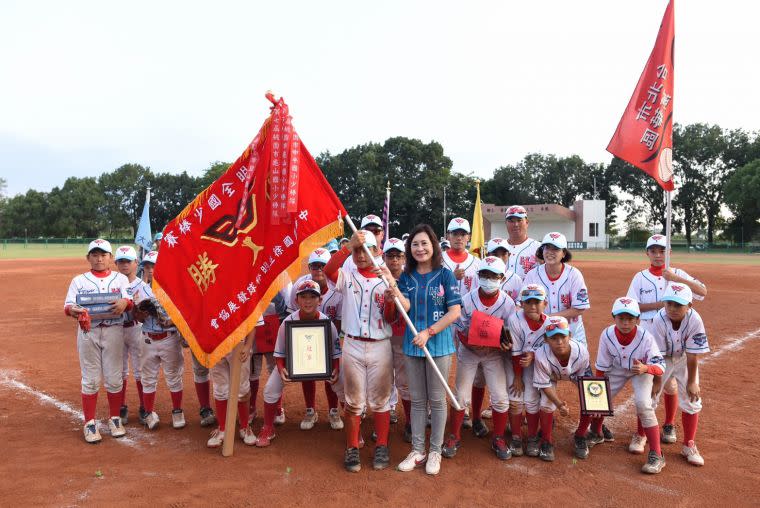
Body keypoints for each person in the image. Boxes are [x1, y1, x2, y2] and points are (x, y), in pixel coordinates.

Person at [388, 224, 462, 476]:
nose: (420, 248)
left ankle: (435, 451)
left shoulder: (445, 275)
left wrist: (429, 332)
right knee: (418, 401)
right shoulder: (407, 276)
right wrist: (394, 288)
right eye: (415, 244)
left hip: (438, 346)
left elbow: (454, 312)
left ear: (433, 246)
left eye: (424, 243)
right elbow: (406, 306)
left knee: (437, 401)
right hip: (412, 346)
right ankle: (417, 450)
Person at [324, 232, 395, 472]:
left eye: (367, 250)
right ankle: (352, 446)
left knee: (381, 401)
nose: (361, 255)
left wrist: (390, 300)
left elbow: (391, 318)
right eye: (357, 250)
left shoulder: (386, 279)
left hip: (380, 345)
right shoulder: (348, 276)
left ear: (377, 252)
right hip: (352, 344)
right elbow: (328, 270)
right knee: (354, 402)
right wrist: (347, 247)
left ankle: (382, 445)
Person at [627, 234, 707, 444]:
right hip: (647, 336)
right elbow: (633, 307)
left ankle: (669, 424)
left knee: (670, 386)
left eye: (662, 251)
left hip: (677, 339)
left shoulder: (678, 273)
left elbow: (702, 292)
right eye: (653, 251)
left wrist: (676, 279)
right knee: (647, 387)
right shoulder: (640, 277)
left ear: (669, 253)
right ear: (647, 253)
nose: (658, 255)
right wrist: (662, 304)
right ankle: (641, 433)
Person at [443, 256, 516, 461]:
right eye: (484, 275)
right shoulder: (467, 299)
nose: (488, 279)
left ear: (502, 278)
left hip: (494, 354)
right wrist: (469, 342)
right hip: (469, 351)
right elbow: (459, 328)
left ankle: (499, 437)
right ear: (478, 276)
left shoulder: (508, 303)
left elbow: (509, 333)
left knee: (500, 397)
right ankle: (454, 435)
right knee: (460, 396)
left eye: (493, 276)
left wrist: (506, 343)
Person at [254, 280, 341, 448]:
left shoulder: (327, 324)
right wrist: (281, 369)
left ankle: (347, 423)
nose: (308, 301)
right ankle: (268, 427)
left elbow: (336, 353)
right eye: (304, 297)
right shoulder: (287, 322)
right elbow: (279, 353)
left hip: (323, 364)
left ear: (319, 300)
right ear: (296, 300)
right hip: (292, 364)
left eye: (312, 297)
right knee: (270, 389)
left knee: (343, 385)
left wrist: (336, 369)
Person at [64, 239, 133, 443]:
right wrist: (73, 310)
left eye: (103, 255)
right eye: (94, 255)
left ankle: (114, 418)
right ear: (88, 258)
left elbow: (129, 301)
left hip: (114, 331)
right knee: (91, 379)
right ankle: (89, 422)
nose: (99, 258)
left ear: (110, 258)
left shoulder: (120, 279)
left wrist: (125, 302)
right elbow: (67, 306)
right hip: (88, 332)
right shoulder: (79, 280)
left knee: (114, 377)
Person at [591, 297, 666, 474]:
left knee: (643, 404)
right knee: (597, 398)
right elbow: (601, 368)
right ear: (613, 317)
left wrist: (646, 368)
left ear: (637, 319)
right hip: (617, 367)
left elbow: (661, 366)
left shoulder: (646, 337)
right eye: (621, 318)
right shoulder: (607, 334)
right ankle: (596, 432)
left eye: (630, 319)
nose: (625, 323)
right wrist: (598, 398)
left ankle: (657, 453)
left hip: (640, 368)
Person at [650, 284, 708, 466]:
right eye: (669, 304)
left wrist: (692, 382)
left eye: (679, 305)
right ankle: (642, 435)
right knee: (649, 395)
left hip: (684, 358)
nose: (673, 309)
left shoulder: (695, 320)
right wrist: (657, 381)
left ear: (689, 305)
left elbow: (692, 355)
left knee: (692, 399)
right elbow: (657, 355)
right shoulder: (658, 318)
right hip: (663, 358)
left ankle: (689, 444)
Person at [288, 248, 344, 431]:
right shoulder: (299, 285)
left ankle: (334, 410)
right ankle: (310, 410)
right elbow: (291, 312)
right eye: (314, 265)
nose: (319, 269)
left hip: (330, 338)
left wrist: (331, 344)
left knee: (332, 376)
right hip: (305, 337)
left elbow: (340, 320)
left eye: (323, 265)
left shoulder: (338, 288)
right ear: (309, 267)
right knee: (307, 373)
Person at [133, 251, 186, 431]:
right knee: (148, 378)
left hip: (169, 338)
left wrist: (169, 319)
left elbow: (184, 314)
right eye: (147, 267)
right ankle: (149, 413)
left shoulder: (176, 288)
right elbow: (138, 318)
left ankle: (177, 411)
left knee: (174, 376)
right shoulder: (140, 289)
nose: (150, 270)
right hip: (147, 338)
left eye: (154, 266)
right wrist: (142, 312)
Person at [441, 217, 482, 433]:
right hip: (445, 317)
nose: (459, 237)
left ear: (468, 237)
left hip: (468, 320)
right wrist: (450, 277)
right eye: (455, 233)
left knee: (468, 365)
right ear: (448, 236)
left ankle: (463, 408)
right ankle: (435, 407)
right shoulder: (439, 260)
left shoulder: (476, 263)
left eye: (462, 234)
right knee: (442, 363)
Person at [532, 316, 593, 461]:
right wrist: (559, 405)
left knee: (590, 399)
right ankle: (546, 441)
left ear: (570, 336)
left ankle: (581, 434)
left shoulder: (581, 351)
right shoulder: (541, 355)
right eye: (554, 338)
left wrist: (595, 402)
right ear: (546, 340)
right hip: (551, 376)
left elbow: (587, 383)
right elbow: (545, 385)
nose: (559, 342)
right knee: (546, 403)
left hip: (575, 372)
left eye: (563, 337)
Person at [506, 284, 550, 457]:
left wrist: (533, 355)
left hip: (535, 365)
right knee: (515, 397)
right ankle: (516, 436)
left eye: (537, 302)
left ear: (545, 304)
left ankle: (532, 437)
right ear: (521, 304)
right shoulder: (515, 319)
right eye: (528, 302)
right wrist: (517, 377)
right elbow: (515, 352)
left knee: (532, 399)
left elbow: (549, 350)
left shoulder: (549, 324)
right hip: (513, 361)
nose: (533, 306)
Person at [523, 232, 590, 345]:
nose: (550, 252)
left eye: (555, 249)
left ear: (563, 253)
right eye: (547, 248)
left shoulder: (574, 275)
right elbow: (523, 304)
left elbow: (580, 308)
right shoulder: (532, 275)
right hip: (543, 335)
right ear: (542, 251)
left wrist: (548, 318)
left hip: (572, 334)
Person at [206, 324, 258, 448]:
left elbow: (252, 322)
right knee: (220, 388)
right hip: (214, 345)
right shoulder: (207, 303)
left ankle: (245, 427)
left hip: (238, 344)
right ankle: (223, 428)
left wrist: (248, 345)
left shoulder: (243, 302)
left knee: (242, 387)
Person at [114, 245, 146, 425]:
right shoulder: (113, 282)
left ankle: (144, 406)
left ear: (136, 263)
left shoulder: (141, 285)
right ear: (116, 263)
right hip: (117, 328)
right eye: (121, 262)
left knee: (139, 368)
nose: (125, 265)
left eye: (128, 261)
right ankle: (121, 406)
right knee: (120, 370)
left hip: (136, 328)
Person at [383, 238, 411, 439]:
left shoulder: (412, 279)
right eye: (390, 256)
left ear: (404, 258)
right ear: (384, 258)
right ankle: (381, 423)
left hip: (404, 337)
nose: (394, 260)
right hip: (383, 337)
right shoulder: (377, 279)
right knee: (383, 383)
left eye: (398, 256)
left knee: (405, 383)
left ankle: (410, 422)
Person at [502, 206, 541, 279]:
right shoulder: (498, 247)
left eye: (519, 220)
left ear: (527, 222)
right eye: (511, 221)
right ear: (506, 223)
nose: (515, 224)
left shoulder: (538, 248)